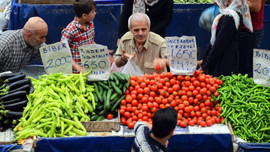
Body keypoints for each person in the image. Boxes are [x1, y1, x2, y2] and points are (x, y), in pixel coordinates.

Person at [200, 0, 253, 77]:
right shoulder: (229, 14)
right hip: (226, 60)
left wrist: (206, 65)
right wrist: (205, 63)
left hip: (224, 64)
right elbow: (214, 43)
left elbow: (219, 45)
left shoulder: (230, 17)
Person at [61, 0, 96, 73]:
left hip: (88, 67)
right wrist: (76, 66)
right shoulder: (70, 30)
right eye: (92, 12)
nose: (95, 13)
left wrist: (102, 51)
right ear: (84, 16)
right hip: (75, 72)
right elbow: (63, 52)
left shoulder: (91, 25)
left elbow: (91, 42)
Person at [238, 0, 264, 77]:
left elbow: (255, 6)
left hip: (249, 33)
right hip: (237, 30)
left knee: (247, 74)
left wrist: (228, 1)